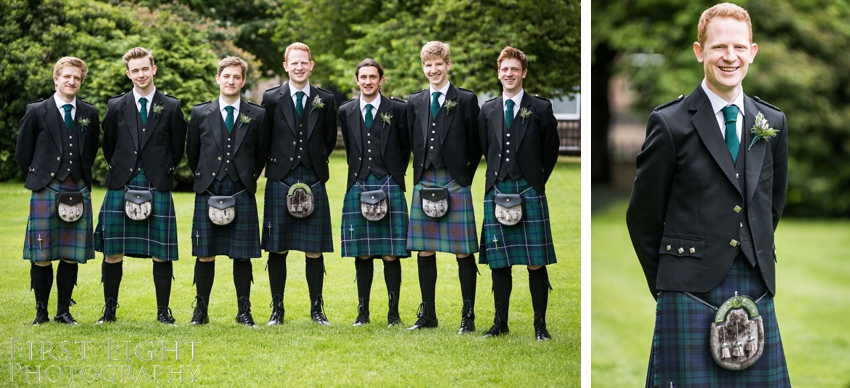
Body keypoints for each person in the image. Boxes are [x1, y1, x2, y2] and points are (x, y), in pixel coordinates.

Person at [626, 3, 790, 385]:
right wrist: (671, 284)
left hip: (755, 284)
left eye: (737, 47)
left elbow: (771, 205)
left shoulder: (772, 122)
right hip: (686, 289)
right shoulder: (670, 123)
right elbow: (643, 218)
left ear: (752, 51)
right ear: (700, 52)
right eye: (718, 47)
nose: (729, 57)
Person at [95, 47, 187, 325]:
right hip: (122, 181)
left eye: (145, 68)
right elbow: (109, 145)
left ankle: (163, 312)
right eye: (135, 70)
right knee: (112, 251)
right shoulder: (116, 105)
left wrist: (160, 169)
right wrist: (124, 169)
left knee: (161, 251)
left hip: (156, 182)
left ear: (153, 69)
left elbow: (177, 147)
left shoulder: (170, 106)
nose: (140, 74)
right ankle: (109, 311)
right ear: (128, 74)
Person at [478, 46, 559, 340]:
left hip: (529, 189)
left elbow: (550, 150)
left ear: (523, 73)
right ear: (498, 73)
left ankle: (540, 326)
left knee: (535, 260)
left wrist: (535, 181)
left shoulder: (540, 108)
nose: (508, 74)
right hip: (497, 187)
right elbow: (485, 146)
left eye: (514, 69)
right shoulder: (487, 109)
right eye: (504, 69)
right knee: (500, 261)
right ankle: (500, 322)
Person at [185, 56, 270, 327]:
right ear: (218, 78)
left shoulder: (257, 114)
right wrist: (206, 177)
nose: (231, 81)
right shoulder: (201, 113)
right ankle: (201, 311)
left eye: (236, 77)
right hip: (209, 188)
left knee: (242, 254)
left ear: (243, 81)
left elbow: (261, 153)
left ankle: (244, 312)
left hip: (241, 189)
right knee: (204, 253)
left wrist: (246, 177)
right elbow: (193, 152)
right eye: (227, 76)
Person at [405, 41, 481, 333]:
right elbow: (411, 140)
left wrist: (464, 177)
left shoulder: (465, 100)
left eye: (438, 64)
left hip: (455, 181)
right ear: (423, 67)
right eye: (428, 65)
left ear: (448, 65)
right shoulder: (415, 101)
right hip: (425, 178)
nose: (433, 70)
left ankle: (468, 316)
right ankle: (428, 314)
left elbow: (476, 144)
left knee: (463, 251)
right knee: (424, 250)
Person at [16, 57, 99, 325]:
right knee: (42, 254)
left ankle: (63, 311)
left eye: (77, 78)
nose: (72, 81)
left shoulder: (89, 113)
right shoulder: (37, 110)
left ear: (81, 82)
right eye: (67, 77)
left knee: (70, 254)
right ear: (56, 78)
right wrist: (38, 177)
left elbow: (92, 148)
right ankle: (41, 312)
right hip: (46, 188)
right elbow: (23, 151)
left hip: (77, 187)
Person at [261, 42, 338, 326]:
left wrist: (313, 162)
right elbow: (264, 136)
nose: (299, 66)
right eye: (294, 62)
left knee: (313, 248)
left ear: (311, 64)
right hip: (281, 178)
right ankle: (277, 310)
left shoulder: (325, 99)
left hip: (313, 176)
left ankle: (317, 310)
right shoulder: (271, 98)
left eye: (304, 62)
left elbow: (328, 139)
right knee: (277, 247)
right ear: (286, 66)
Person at [338, 59, 410, 327]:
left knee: (391, 253)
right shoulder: (346, 111)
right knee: (363, 252)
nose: (368, 81)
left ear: (381, 80)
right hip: (358, 182)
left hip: (389, 182)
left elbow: (405, 147)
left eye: (373, 77)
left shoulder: (398, 109)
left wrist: (393, 174)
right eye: (363, 77)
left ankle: (393, 313)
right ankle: (363, 312)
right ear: (357, 80)